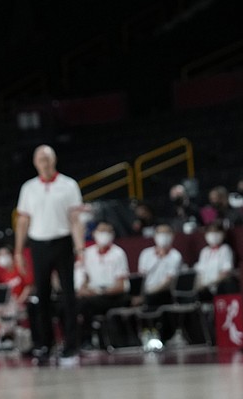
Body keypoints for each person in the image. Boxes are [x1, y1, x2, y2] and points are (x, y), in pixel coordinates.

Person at [13, 144, 85, 365]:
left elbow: (75, 219)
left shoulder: (69, 185)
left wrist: (80, 247)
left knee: (68, 295)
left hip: (63, 241)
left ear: (54, 160)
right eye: (40, 159)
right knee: (42, 296)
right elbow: (23, 221)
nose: (44, 162)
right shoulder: (28, 188)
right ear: (35, 163)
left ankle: (71, 345)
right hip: (38, 244)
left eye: (47, 158)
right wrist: (18, 251)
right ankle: (45, 344)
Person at [74, 222, 130, 350]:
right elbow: (83, 277)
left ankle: (87, 340)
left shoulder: (118, 253)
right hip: (93, 294)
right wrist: (83, 289)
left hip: (114, 294)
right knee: (76, 302)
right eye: (101, 231)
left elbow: (121, 285)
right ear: (94, 234)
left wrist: (99, 292)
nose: (104, 235)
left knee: (86, 304)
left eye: (108, 231)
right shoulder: (88, 253)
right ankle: (79, 340)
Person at [137, 223, 183, 309]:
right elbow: (141, 276)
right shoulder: (146, 253)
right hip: (146, 291)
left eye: (166, 233)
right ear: (155, 236)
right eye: (160, 233)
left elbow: (169, 281)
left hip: (164, 292)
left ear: (172, 236)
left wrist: (151, 291)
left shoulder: (175, 256)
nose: (163, 236)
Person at [194, 222, 239, 301]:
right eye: (210, 232)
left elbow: (226, 272)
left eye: (216, 232)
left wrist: (211, 283)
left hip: (219, 284)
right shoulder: (204, 251)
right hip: (205, 287)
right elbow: (199, 271)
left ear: (223, 234)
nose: (213, 235)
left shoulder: (225, 249)